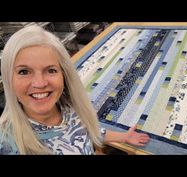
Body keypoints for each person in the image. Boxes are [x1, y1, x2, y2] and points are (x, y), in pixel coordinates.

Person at [0, 25, 150, 155]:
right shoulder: (7, 144)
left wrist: (123, 137)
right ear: (8, 79)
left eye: (51, 70)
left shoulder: (68, 106)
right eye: (24, 72)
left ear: (64, 75)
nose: (40, 83)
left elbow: (87, 131)